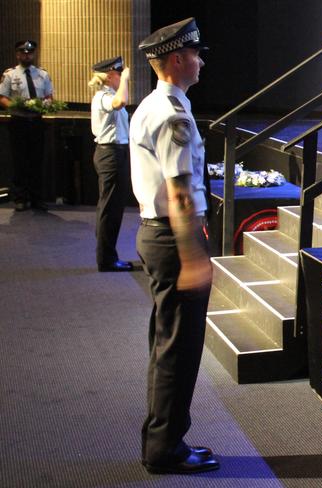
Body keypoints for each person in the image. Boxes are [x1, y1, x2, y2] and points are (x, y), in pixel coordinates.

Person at [129, 18, 218, 474]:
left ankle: (162, 439)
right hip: (172, 236)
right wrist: (193, 257)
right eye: (197, 55)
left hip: (158, 232)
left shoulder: (152, 105)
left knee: (168, 344)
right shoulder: (173, 114)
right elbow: (180, 190)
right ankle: (166, 449)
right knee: (179, 350)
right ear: (178, 59)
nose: (201, 62)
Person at [88, 56, 134, 272]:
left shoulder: (105, 95)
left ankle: (107, 255)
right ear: (110, 75)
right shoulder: (103, 96)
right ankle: (106, 259)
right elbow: (120, 102)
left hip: (117, 153)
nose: (123, 76)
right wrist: (125, 79)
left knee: (112, 207)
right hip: (110, 154)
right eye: (119, 72)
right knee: (110, 208)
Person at [0, 40, 53, 211]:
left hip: (37, 122)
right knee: (19, 161)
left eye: (30, 53)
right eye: (23, 53)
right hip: (18, 122)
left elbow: (49, 96)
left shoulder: (42, 75)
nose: (27, 55)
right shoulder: (10, 75)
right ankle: (20, 198)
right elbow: (3, 97)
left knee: (37, 161)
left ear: (34, 54)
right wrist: (16, 106)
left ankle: (37, 198)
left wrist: (43, 104)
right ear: (17, 54)